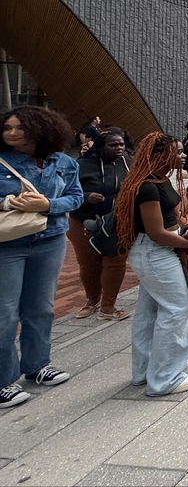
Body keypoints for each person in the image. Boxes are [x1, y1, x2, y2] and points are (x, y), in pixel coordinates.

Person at [0, 106, 84, 409]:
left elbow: (76, 197)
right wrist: (9, 202)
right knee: (5, 313)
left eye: (19, 128)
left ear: (41, 129)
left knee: (41, 308)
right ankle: (3, 381)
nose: (11, 133)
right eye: (7, 127)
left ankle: (37, 366)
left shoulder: (63, 162)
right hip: (7, 244)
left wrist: (47, 204)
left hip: (50, 240)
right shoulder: (2, 162)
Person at [115, 132, 188, 396]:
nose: (183, 155)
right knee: (178, 308)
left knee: (150, 313)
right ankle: (165, 378)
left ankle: (144, 373)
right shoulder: (146, 187)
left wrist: (184, 231)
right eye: (177, 152)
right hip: (155, 251)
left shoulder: (159, 179)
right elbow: (156, 232)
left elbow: (168, 223)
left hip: (158, 249)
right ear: (159, 155)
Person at [68, 129, 132, 321]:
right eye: (113, 145)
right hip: (85, 221)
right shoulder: (82, 165)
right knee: (89, 264)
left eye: (121, 144)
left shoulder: (127, 162)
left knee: (115, 262)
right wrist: (86, 197)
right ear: (100, 147)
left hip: (117, 222)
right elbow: (65, 190)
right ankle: (92, 301)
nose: (119, 148)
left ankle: (108, 306)